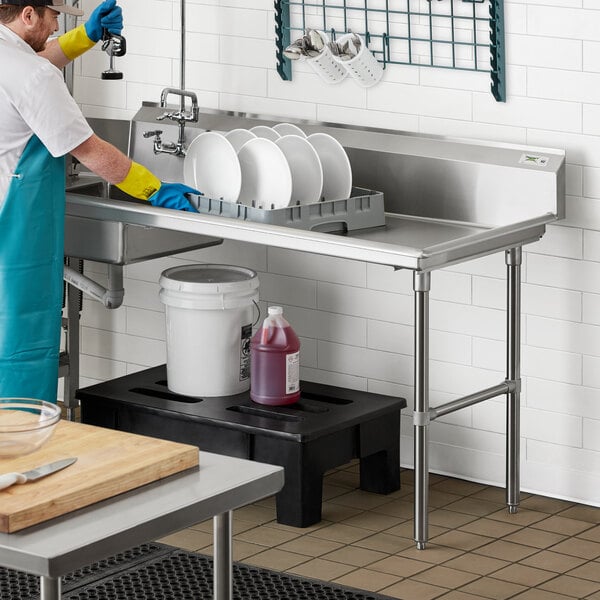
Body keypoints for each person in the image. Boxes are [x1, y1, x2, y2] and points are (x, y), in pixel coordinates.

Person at [0, 0, 199, 404]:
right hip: (15, 233)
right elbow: (89, 151)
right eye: (54, 16)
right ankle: (19, 451)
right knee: (17, 345)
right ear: (28, 14)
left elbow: (37, 61)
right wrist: (154, 189)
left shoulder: (12, 57)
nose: (57, 24)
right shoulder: (33, 75)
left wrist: (86, 37)